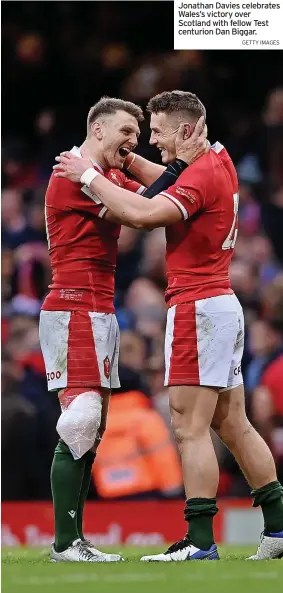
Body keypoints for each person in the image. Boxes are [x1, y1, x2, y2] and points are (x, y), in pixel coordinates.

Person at [54, 90, 283, 561]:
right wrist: (127, 162)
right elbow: (167, 181)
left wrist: (91, 175)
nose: (151, 143)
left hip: (198, 307)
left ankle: (199, 543)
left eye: (156, 133)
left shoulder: (199, 175)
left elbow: (141, 213)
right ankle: (278, 530)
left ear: (184, 131)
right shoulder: (218, 161)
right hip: (221, 305)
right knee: (233, 424)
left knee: (188, 428)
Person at [41, 95, 207, 562]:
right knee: (80, 421)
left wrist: (132, 160)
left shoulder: (104, 175)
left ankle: (75, 541)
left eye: (139, 134)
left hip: (100, 310)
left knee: (93, 431)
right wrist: (137, 172)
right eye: (125, 133)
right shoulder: (69, 174)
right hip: (73, 307)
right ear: (97, 130)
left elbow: (161, 189)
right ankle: (63, 543)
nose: (135, 142)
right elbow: (139, 213)